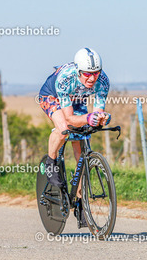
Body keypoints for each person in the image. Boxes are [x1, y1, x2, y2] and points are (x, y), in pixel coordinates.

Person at [38, 48, 111, 188]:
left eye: (96, 73)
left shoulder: (103, 81)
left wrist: (101, 118)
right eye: (87, 74)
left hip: (76, 99)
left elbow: (97, 114)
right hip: (52, 96)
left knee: (82, 137)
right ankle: (50, 164)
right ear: (78, 71)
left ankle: (80, 194)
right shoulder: (65, 80)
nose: (92, 78)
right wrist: (88, 118)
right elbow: (69, 119)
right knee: (64, 129)